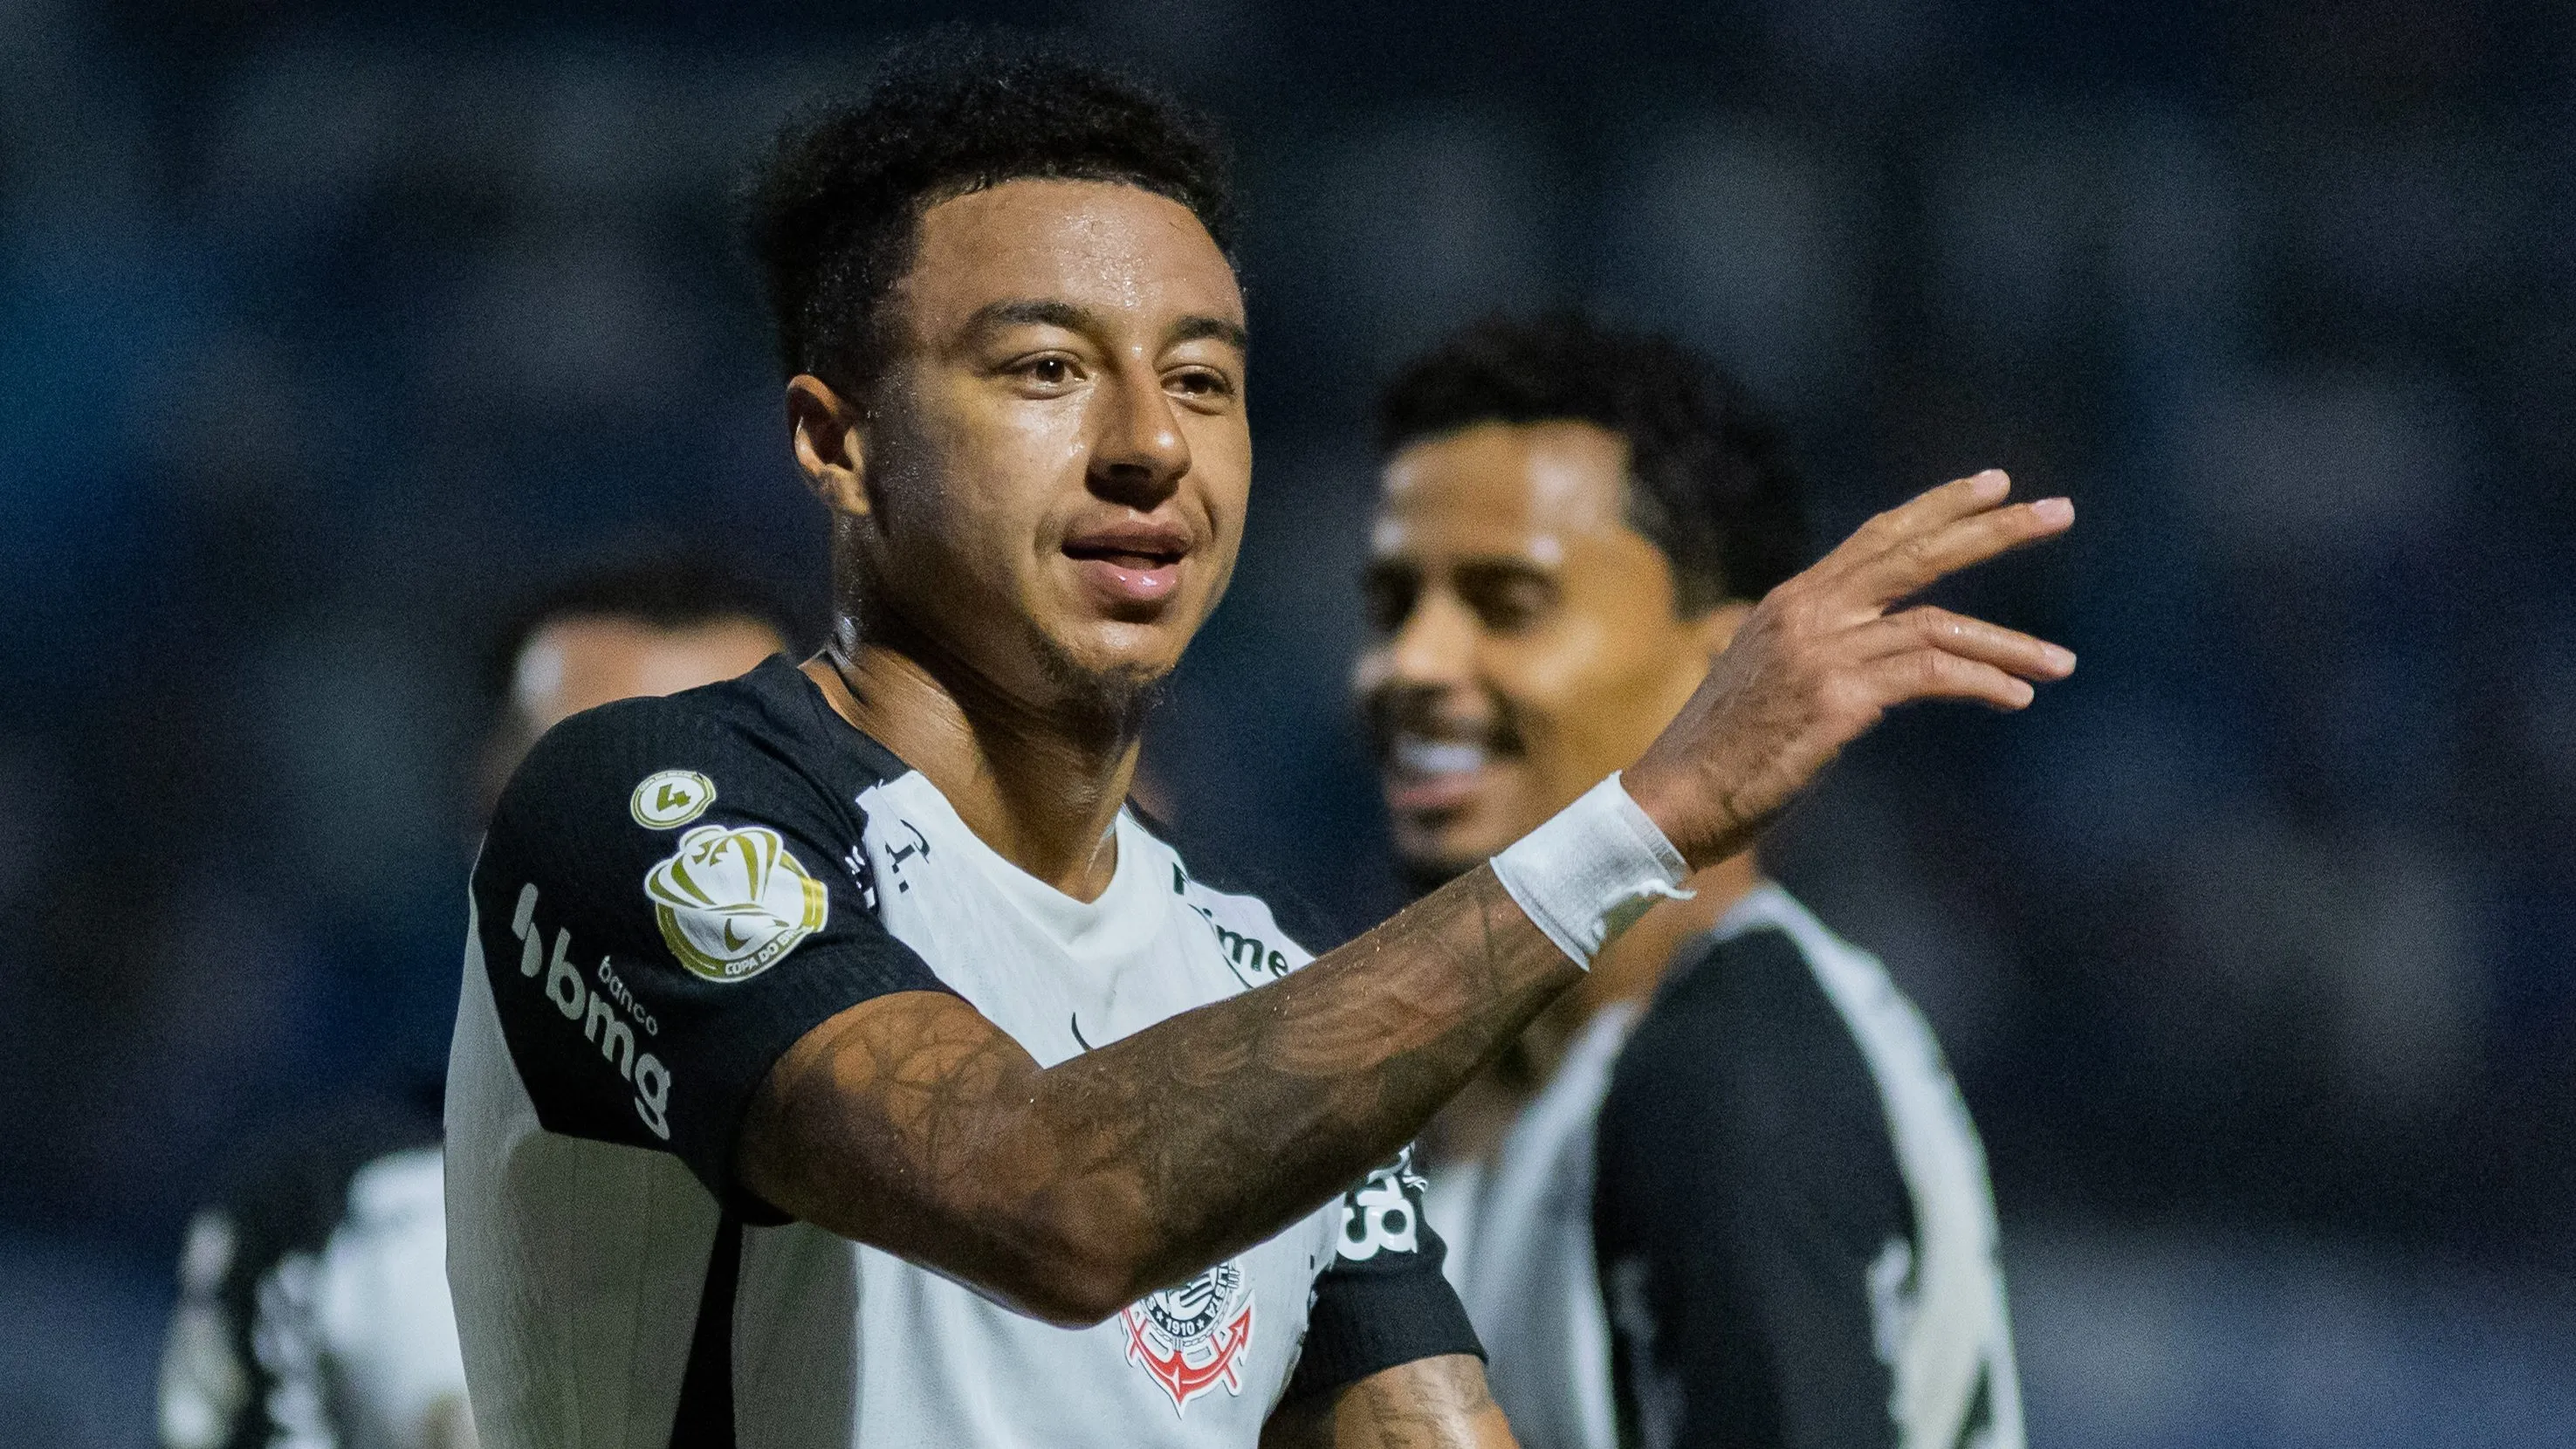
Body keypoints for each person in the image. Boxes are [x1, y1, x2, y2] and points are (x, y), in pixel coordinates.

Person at [442, 37, 2074, 1449]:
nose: (1149, 444)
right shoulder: (648, 815)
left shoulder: (1247, 982)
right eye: (1045, 369)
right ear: (837, 442)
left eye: (1202, 380)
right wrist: (1633, 823)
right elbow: (1052, 1202)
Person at [1354, 313, 2027, 1449]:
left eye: (1506, 604)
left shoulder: (1725, 1089)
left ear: (1728, 673)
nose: (1410, 664)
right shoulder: (1557, 1084)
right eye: (1390, 606)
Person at [156, 560, 793, 1449]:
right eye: (595, 785)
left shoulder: (937, 1196)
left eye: (734, 784)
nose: (671, 850)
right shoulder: (332, 1217)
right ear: (486, 812)